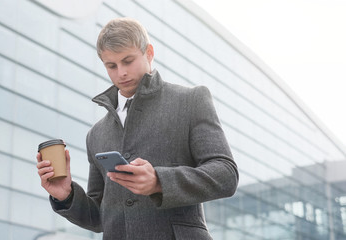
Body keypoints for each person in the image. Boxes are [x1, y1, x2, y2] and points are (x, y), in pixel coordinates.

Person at [36, 17, 238, 240]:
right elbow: (100, 217)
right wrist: (66, 195)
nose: (120, 72)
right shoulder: (96, 134)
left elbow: (226, 174)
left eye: (128, 61)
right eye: (111, 65)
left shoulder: (190, 101)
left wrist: (159, 181)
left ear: (149, 53)